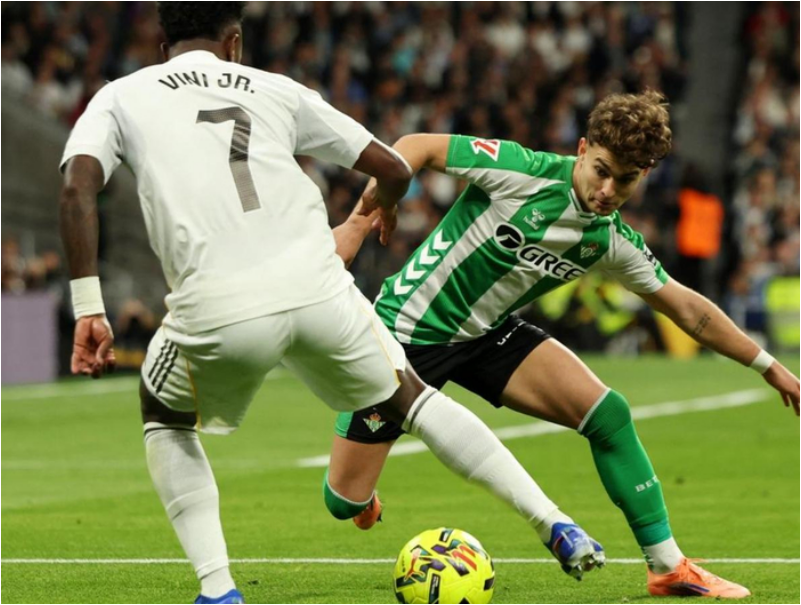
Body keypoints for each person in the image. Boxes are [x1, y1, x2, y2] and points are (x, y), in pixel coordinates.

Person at [59, 3, 604, 604]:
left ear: (162, 44)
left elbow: (77, 187)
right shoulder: (275, 89)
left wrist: (89, 308)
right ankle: (554, 521)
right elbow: (392, 165)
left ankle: (219, 590)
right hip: (317, 285)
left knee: (164, 416)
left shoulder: (121, 96)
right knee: (413, 399)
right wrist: (382, 204)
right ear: (234, 43)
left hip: (219, 301)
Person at [328, 90, 801, 600]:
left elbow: (689, 309)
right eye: (601, 170)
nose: (608, 190)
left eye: (625, 180)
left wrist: (768, 365)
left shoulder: (609, 239)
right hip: (404, 332)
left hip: (488, 335)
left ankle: (668, 567)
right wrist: (362, 219)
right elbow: (416, 145)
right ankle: (362, 494)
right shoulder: (521, 171)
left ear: (643, 176)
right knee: (343, 502)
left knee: (608, 415)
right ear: (581, 149)